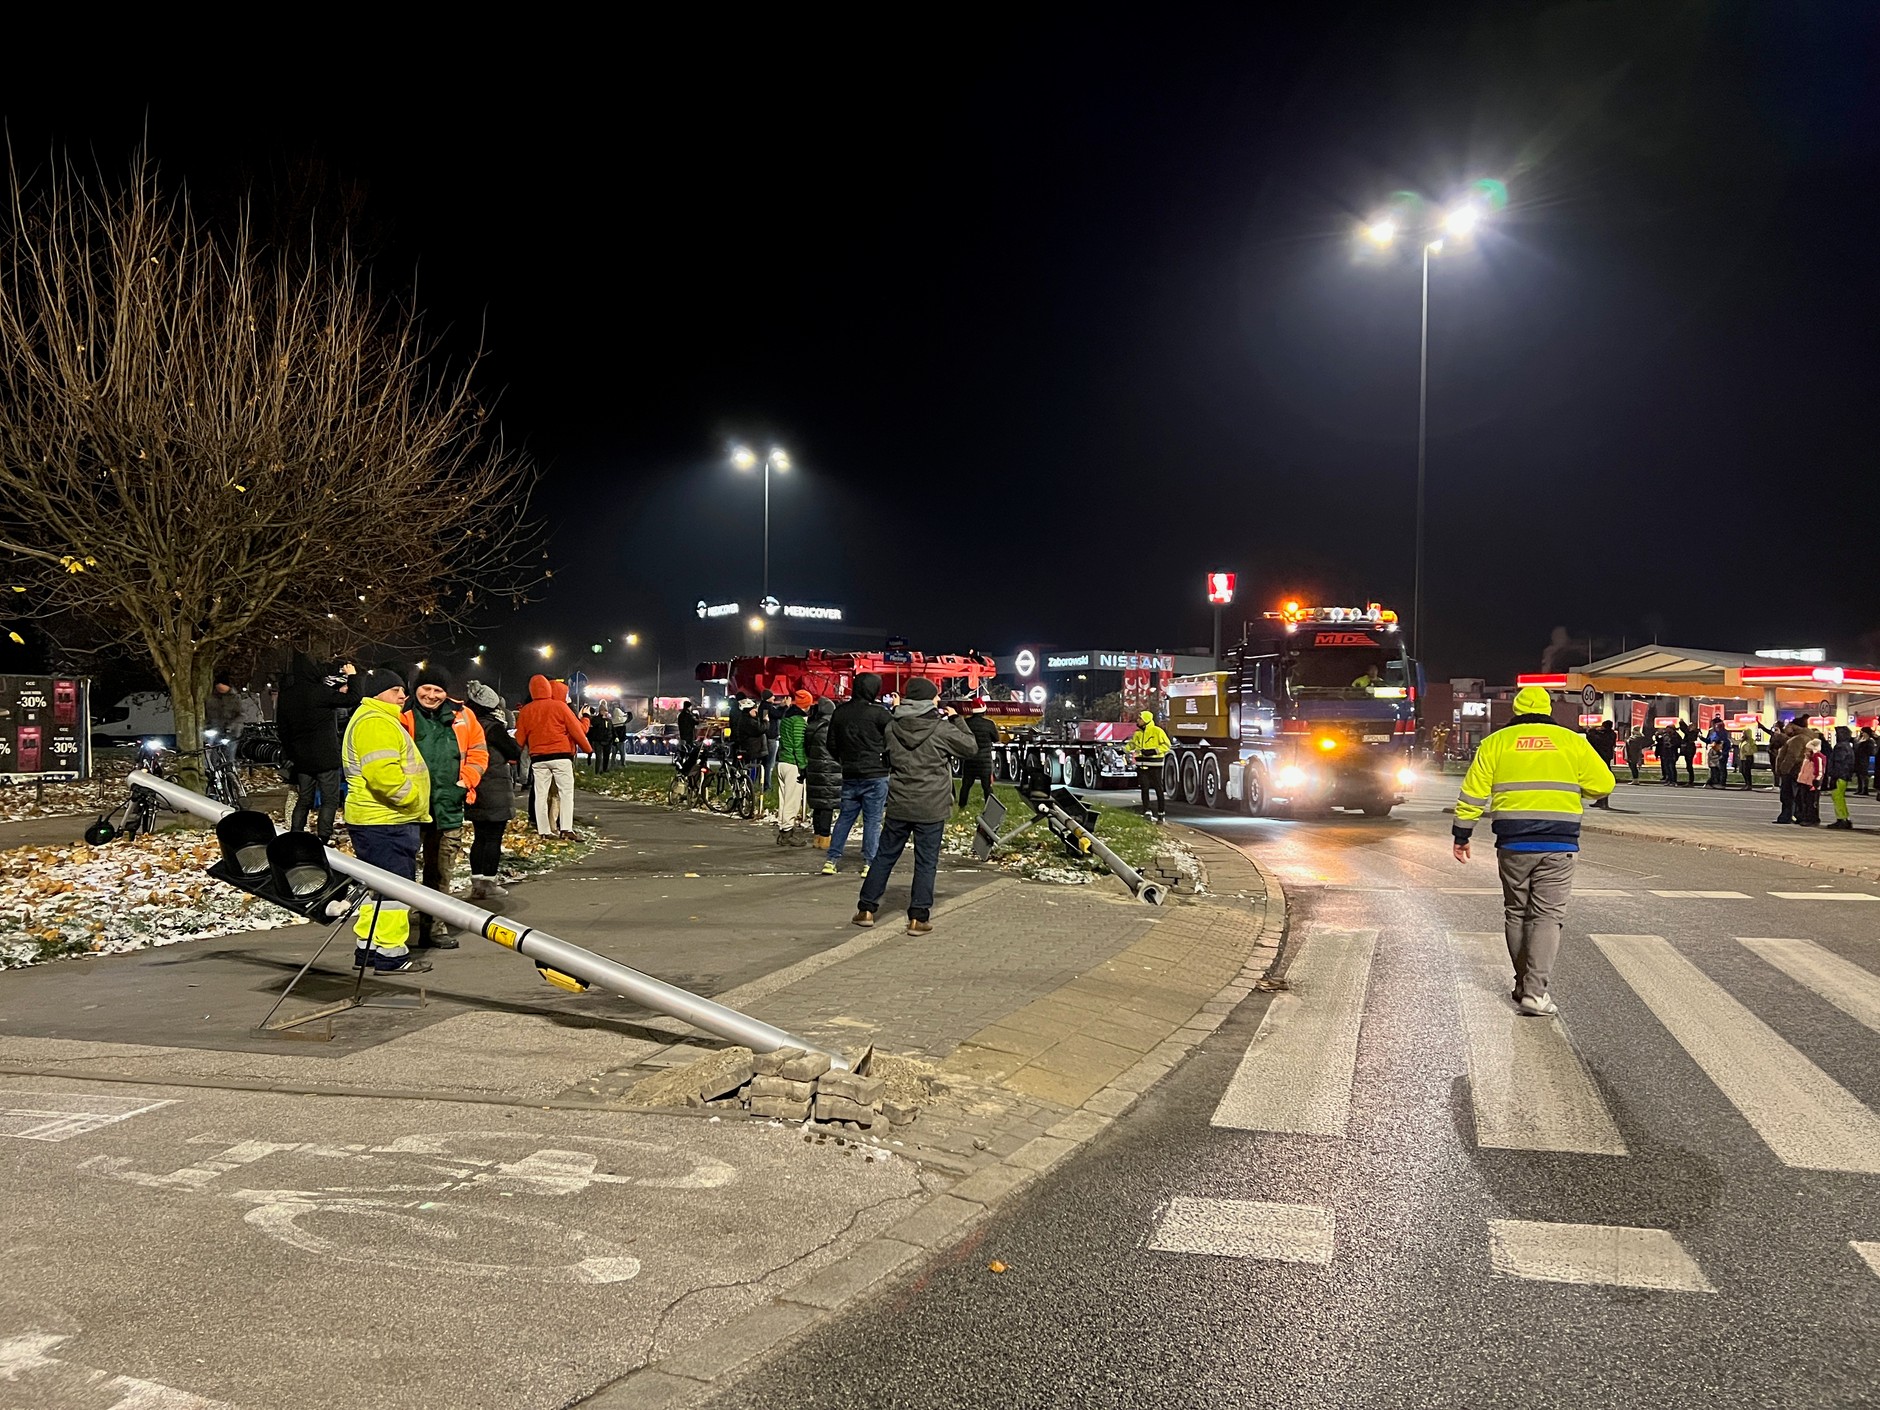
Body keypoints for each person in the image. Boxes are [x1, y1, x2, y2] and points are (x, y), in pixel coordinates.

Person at [1452, 685, 1615, 1017]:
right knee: (1547, 916)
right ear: (1548, 710)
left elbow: (1473, 792)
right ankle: (1535, 993)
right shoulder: (1571, 742)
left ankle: (1521, 984)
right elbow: (1603, 784)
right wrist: (1576, 789)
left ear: (1516, 709)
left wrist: (1462, 833)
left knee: (1516, 912)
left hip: (1512, 841)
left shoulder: (1496, 742)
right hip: (1559, 842)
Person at [852, 678, 977, 935]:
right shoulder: (941, 729)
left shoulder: (892, 727)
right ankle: (918, 917)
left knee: (885, 856)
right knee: (926, 861)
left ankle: (866, 908)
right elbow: (970, 748)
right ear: (928, 700)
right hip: (931, 805)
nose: (938, 700)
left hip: (900, 802)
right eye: (935, 696)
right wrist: (957, 719)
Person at [340, 668, 432, 974]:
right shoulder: (376, 722)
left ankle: (368, 949)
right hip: (387, 819)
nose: (403, 695)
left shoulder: (372, 718)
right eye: (396, 690)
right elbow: (383, 775)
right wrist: (410, 798)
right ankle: (392, 954)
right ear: (378, 693)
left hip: (374, 819)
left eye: (403, 690)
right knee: (395, 890)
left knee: (375, 889)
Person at [402, 668, 488, 949]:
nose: (431, 695)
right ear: (416, 689)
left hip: (449, 805)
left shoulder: (464, 716)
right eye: (426, 688)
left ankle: (434, 928)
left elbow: (478, 752)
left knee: (440, 872)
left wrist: (465, 782)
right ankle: (397, 932)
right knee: (402, 873)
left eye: (438, 690)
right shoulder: (403, 715)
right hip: (410, 809)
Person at [276, 652, 353, 842]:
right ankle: (323, 837)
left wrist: (292, 754)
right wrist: (352, 676)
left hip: (302, 759)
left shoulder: (287, 696)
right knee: (330, 800)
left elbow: (283, 729)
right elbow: (353, 698)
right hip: (326, 757)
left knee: (304, 799)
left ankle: (296, 834)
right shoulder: (321, 692)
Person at [823, 673, 892, 876]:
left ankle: (831, 860)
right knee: (872, 820)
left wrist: (843, 760)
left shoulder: (840, 712)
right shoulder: (880, 714)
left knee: (845, 817)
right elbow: (894, 738)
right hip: (876, 773)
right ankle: (869, 863)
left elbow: (831, 743)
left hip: (850, 772)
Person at [463, 681, 519, 899]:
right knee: (493, 837)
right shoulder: (492, 727)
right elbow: (513, 751)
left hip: (475, 785)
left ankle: (476, 882)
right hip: (495, 786)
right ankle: (489, 881)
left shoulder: (468, 724)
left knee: (479, 837)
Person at [515, 674, 589, 839]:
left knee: (540, 795)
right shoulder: (559, 706)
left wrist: (513, 757)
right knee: (565, 793)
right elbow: (577, 731)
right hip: (561, 755)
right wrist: (587, 749)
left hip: (538, 758)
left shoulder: (526, 710)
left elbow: (520, 737)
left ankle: (544, 830)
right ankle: (566, 829)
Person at [804, 695, 843, 851]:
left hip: (814, 768)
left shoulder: (811, 726)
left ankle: (817, 836)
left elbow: (807, 748)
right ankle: (825, 837)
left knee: (818, 805)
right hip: (831, 770)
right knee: (827, 805)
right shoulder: (832, 728)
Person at [775, 689, 811, 844]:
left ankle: (783, 829)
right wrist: (803, 766)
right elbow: (798, 745)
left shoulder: (786, 718)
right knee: (792, 800)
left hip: (782, 761)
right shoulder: (798, 721)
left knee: (783, 799)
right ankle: (787, 834)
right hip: (792, 764)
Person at [1127, 709, 1172, 822]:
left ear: (1146, 720)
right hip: (1141, 765)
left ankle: (1161, 813)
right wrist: (1124, 750)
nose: (1138, 720)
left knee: (1158, 789)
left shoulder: (1157, 731)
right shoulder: (1137, 733)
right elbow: (1132, 745)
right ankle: (1146, 811)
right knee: (1144, 788)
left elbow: (1167, 745)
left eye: (1140, 719)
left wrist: (1154, 751)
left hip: (1155, 764)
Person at [957, 697, 1000, 810]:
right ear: (984, 710)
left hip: (970, 759)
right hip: (985, 762)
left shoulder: (966, 723)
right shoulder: (989, 724)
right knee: (987, 787)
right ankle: (989, 808)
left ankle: (962, 806)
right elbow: (996, 738)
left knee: (966, 785)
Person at [1773, 721, 1812, 824]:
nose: (1785, 728)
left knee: (1788, 795)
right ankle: (1798, 815)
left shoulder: (1798, 739)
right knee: (1797, 796)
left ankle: (1786, 817)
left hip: (1791, 771)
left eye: (1788, 726)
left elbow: (1792, 756)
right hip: (1797, 771)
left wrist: (1784, 770)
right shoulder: (1804, 737)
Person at [729, 694, 767, 793]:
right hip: (752, 748)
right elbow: (760, 729)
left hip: (747, 745)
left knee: (743, 765)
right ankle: (749, 787)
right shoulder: (749, 721)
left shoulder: (743, 716)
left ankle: (743, 784)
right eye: (754, 709)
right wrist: (766, 721)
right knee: (751, 767)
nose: (756, 711)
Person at [1828, 725, 1856, 830]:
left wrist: (1834, 775)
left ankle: (1841, 819)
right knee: (1839, 797)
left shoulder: (1840, 747)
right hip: (1844, 775)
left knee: (1837, 797)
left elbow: (1839, 763)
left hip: (1839, 775)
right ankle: (1844, 818)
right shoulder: (1847, 746)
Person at [1795, 735, 1825, 827]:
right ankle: (1805, 817)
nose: (1806, 751)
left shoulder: (1817, 757)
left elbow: (1819, 771)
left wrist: (1816, 782)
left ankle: (1812, 819)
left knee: (1811, 803)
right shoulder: (1807, 758)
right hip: (1804, 782)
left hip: (1812, 783)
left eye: (1808, 750)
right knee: (1804, 802)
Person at [762, 687, 788, 795]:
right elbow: (778, 715)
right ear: (768, 698)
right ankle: (767, 786)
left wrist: (781, 706)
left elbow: (775, 713)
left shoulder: (764, 706)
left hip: (767, 737)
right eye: (772, 696)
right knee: (769, 763)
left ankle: (763, 783)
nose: (774, 697)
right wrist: (785, 706)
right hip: (771, 738)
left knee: (765, 763)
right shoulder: (767, 707)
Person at [1586, 720, 1616, 807]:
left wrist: (1591, 730)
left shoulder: (1601, 735)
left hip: (1600, 758)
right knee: (1603, 780)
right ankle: (1602, 801)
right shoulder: (1612, 734)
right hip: (1607, 759)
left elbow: (1593, 739)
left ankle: (1602, 802)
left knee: (1600, 780)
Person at [1705, 716, 1731, 788]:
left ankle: (1721, 782)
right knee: (1713, 768)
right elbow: (1708, 740)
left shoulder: (1723, 733)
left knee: (1721, 768)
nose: (1713, 726)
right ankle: (1713, 782)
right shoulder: (1712, 731)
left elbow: (1724, 743)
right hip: (1713, 752)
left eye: (1713, 724)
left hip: (1720, 752)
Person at [1856, 726, 1877, 797]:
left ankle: (1865, 789)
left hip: (1864, 759)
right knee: (1859, 774)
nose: (1862, 734)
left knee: (1864, 774)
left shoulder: (1870, 741)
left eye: (1863, 732)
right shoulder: (1860, 739)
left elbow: (1871, 751)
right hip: (1858, 759)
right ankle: (1859, 788)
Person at [1678, 720, 1699, 787]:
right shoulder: (1690, 733)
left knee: (1689, 765)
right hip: (1687, 749)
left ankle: (1691, 781)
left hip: (1690, 749)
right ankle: (1690, 781)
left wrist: (1682, 723)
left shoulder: (1693, 733)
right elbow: (1685, 730)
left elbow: (1685, 730)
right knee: (1688, 765)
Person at [1737, 724, 1758, 790]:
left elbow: (1754, 749)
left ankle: (1749, 784)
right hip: (1742, 757)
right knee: (1742, 771)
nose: (1743, 734)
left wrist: (1747, 752)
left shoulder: (1751, 741)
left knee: (1747, 771)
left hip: (1748, 757)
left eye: (1744, 733)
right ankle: (1746, 783)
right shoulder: (1742, 740)